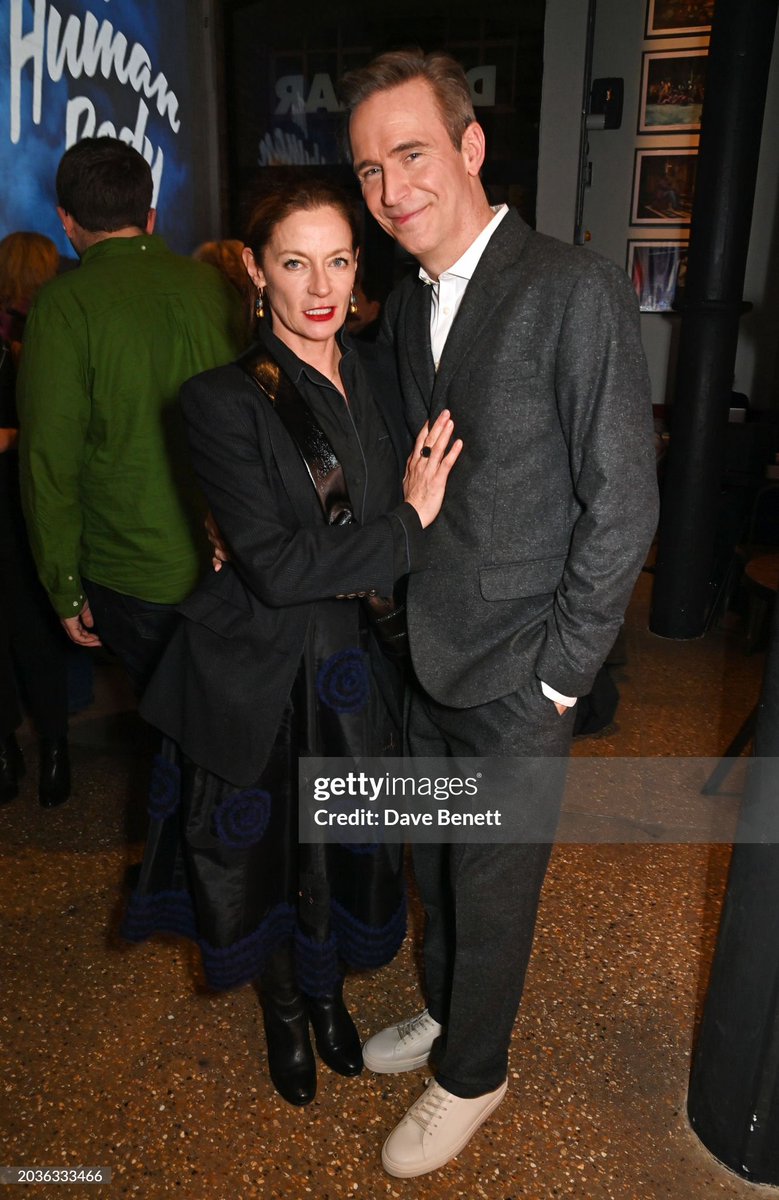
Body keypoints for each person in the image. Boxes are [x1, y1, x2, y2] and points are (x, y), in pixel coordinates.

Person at [340, 49, 659, 1178]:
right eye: (370, 170)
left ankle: (474, 1072)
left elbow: (622, 505)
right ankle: (446, 1011)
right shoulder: (408, 311)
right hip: (425, 652)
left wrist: (559, 677)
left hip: (521, 672)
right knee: (435, 867)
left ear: (471, 150)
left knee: (490, 883)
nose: (391, 191)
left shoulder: (567, 286)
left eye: (411, 154)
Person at [122, 176, 461, 1108]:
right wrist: (405, 528)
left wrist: (369, 550)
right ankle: (285, 1012)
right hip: (264, 675)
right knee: (270, 858)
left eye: (340, 260)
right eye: (295, 262)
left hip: (361, 668)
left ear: (361, 268)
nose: (321, 287)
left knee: (347, 846)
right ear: (253, 269)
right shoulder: (220, 400)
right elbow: (273, 566)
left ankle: (327, 998)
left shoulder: (385, 370)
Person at [16, 138, 245, 694]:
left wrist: (64, 586)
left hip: (131, 572)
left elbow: (50, 463)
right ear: (150, 215)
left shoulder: (63, 306)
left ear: (66, 222)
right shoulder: (218, 288)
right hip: (236, 559)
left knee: (171, 728)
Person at [0, 232, 72, 806]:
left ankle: (18, 752)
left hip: (19, 494)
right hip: (32, 496)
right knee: (32, 627)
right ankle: (53, 750)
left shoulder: (30, 330)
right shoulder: (51, 325)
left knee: (18, 628)